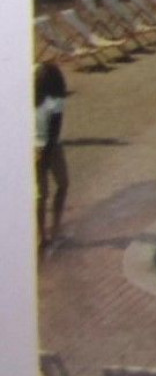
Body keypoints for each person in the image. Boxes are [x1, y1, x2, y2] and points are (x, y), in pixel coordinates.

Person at [34, 59, 68, 249]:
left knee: (41, 194)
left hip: (36, 148)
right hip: (49, 148)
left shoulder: (33, 100)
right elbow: (55, 130)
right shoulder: (55, 101)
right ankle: (53, 228)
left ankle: (42, 233)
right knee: (61, 185)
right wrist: (46, 155)